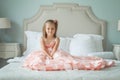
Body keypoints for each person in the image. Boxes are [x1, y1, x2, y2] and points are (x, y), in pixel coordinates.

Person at [23, 19, 114, 71]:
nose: (50, 31)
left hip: (54, 53)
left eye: (52, 29)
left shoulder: (57, 39)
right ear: (45, 29)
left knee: (64, 58)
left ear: (55, 29)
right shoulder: (42, 38)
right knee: (38, 60)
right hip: (44, 53)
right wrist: (48, 56)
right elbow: (43, 49)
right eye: (48, 29)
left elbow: (55, 49)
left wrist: (52, 55)